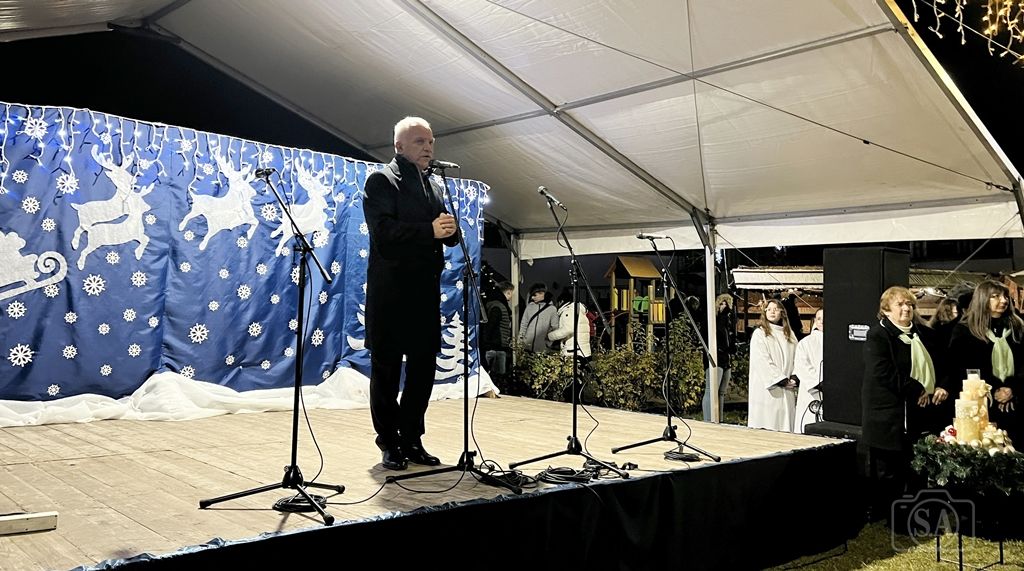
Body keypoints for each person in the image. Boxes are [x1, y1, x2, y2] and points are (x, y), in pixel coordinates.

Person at [362, 116, 459, 471]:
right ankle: (389, 442)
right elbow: (384, 233)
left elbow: (445, 234)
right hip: (391, 294)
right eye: (420, 141)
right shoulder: (381, 180)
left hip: (424, 294)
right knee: (387, 371)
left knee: (422, 370)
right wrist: (429, 230)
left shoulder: (433, 185)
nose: (428, 147)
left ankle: (412, 439)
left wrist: (450, 230)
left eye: (431, 141)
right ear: (399, 145)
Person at [862, 286, 935, 523]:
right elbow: (882, 372)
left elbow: (939, 362)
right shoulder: (878, 335)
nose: (906, 308)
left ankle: (910, 512)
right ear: (886, 310)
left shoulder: (921, 334)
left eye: (910, 304)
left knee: (913, 466)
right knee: (887, 468)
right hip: (888, 414)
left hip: (917, 412)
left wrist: (937, 386)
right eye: (900, 304)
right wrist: (916, 388)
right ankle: (886, 514)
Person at [947, 280, 1022, 446]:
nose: (1003, 300)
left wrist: (1012, 388)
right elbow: (958, 368)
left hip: (1015, 401)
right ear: (982, 299)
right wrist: (994, 390)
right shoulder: (965, 330)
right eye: (995, 296)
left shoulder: (1018, 327)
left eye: (1005, 296)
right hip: (980, 405)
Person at [747, 298, 799, 432]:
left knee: (785, 424)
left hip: (787, 387)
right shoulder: (760, 334)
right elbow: (762, 361)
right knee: (769, 423)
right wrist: (780, 380)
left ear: (782, 313)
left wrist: (794, 377)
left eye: (776, 309)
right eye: (769, 309)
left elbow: (798, 357)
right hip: (769, 390)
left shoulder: (789, 334)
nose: (772, 312)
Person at [547, 288, 593, 401]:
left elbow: (568, 329)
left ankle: (572, 401)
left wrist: (550, 336)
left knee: (572, 382)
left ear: (561, 302)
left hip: (574, 351)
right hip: (583, 350)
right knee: (579, 380)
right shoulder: (578, 310)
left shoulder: (568, 311)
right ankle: (577, 400)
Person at [703, 293, 736, 422]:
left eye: (727, 304)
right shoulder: (714, 320)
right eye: (721, 303)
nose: (724, 306)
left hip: (726, 358)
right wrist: (723, 315)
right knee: (711, 390)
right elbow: (718, 333)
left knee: (721, 392)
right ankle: (708, 419)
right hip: (715, 357)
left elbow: (730, 337)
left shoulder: (728, 321)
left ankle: (719, 419)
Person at [793, 309, 824, 434]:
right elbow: (802, 366)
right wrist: (818, 382)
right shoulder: (805, 343)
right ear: (815, 321)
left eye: (825, 318)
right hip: (812, 391)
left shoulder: (838, 342)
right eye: (819, 318)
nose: (822, 321)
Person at [481, 281, 514, 389]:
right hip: (497, 346)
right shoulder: (499, 306)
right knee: (499, 377)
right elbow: (491, 326)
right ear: (508, 292)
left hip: (493, 346)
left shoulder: (492, 304)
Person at [518, 282, 558, 353]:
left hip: (542, 349)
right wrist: (520, 341)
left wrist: (548, 343)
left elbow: (555, 327)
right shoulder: (530, 307)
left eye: (534, 295)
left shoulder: (552, 309)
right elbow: (524, 325)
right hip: (526, 347)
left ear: (542, 293)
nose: (532, 298)